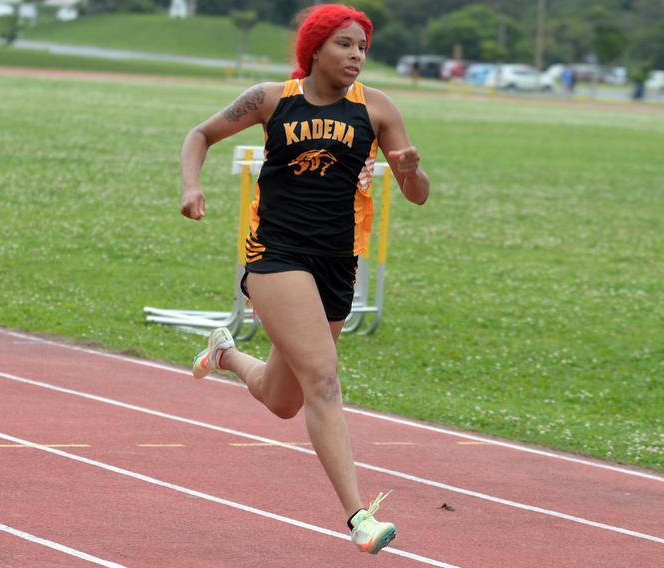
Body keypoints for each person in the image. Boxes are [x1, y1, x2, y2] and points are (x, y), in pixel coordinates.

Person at [178, 3, 430, 555]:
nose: (356, 56)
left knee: (283, 398)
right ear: (314, 48)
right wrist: (191, 187)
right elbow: (199, 134)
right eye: (344, 44)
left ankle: (224, 353)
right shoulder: (272, 99)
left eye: (362, 46)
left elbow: (417, 193)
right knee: (324, 380)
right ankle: (359, 517)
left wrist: (410, 171)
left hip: (338, 260)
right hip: (276, 254)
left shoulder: (379, 109)